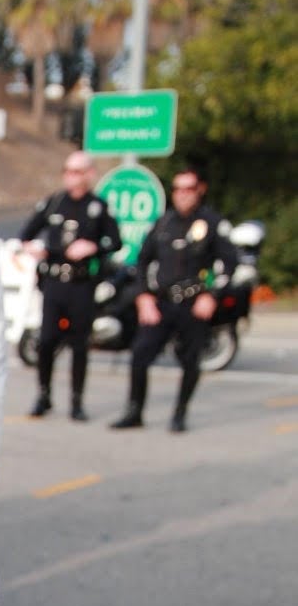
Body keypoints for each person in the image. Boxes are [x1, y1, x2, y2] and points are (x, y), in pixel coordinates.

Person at [111, 165, 237, 432]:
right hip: (163, 301)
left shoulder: (212, 223)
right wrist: (143, 296)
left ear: (200, 190)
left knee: (190, 360)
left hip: (194, 303)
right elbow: (142, 262)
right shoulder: (163, 223)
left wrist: (212, 296)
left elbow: (229, 263)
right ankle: (135, 411)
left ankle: (180, 413)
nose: (182, 195)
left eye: (188, 189)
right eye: (178, 189)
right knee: (140, 354)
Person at [20, 153, 121, 420]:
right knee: (47, 341)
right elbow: (27, 234)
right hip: (54, 280)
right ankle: (43, 395)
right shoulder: (54, 203)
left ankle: (77, 401)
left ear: (89, 174)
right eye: (68, 171)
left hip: (81, 283)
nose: (71, 177)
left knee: (79, 343)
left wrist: (93, 247)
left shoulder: (98, 207)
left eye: (77, 172)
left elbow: (116, 241)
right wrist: (34, 248)